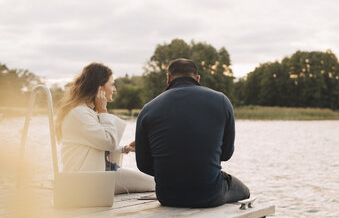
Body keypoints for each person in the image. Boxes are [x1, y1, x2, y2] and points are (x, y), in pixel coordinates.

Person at [135, 58, 250, 208]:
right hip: (210, 193)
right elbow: (226, 154)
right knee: (245, 192)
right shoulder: (221, 101)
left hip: (167, 195)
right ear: (197, 78)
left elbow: (143, 164)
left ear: (168, 79)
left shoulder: (148, 109)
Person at [55, 62, 154, 194]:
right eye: (112, 84)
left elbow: (96, 146)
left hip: (100, 175)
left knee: (154, 183)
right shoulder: (79, 113)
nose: (114, 89)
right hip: (87, 181)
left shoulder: (85, 112)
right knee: (155, 184)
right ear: (99, 88)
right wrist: (103, 110)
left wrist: (124, 149)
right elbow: (108, 142)